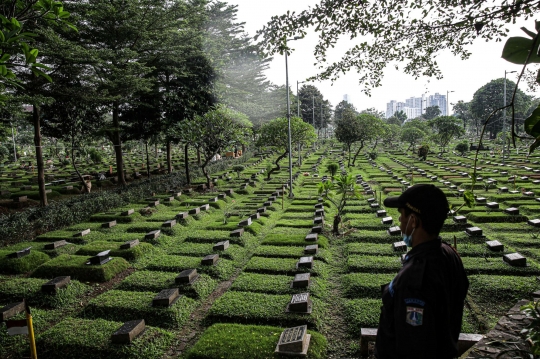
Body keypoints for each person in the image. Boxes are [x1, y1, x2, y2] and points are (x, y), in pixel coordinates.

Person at [375, 184, 469, 359]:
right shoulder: (449, 254)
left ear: (413, 220)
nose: (400, 221)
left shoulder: (414, 280)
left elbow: (414, 346)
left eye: (401, 215)